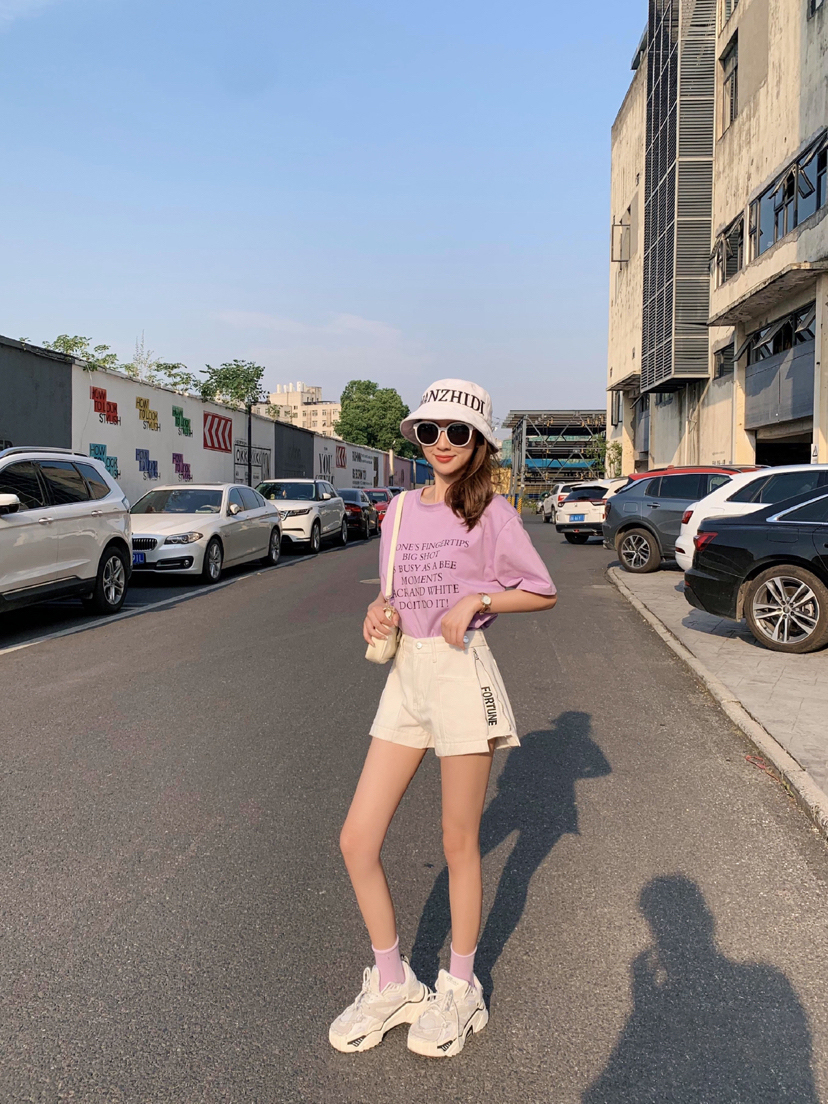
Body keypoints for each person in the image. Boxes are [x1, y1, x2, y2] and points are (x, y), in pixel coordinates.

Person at [329, 379, 557, 1059]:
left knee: (459, 841)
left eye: (458, 432)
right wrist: (377, 614)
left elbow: (541, 590)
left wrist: (479, 600)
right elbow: (393, 597)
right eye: (431, 431)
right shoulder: (399, 510)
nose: (443, 443)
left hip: (460, 674)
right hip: (407, 676)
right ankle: (393, 981)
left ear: (479, 441)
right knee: (356, 839)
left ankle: (460, 986)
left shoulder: (492, 513)